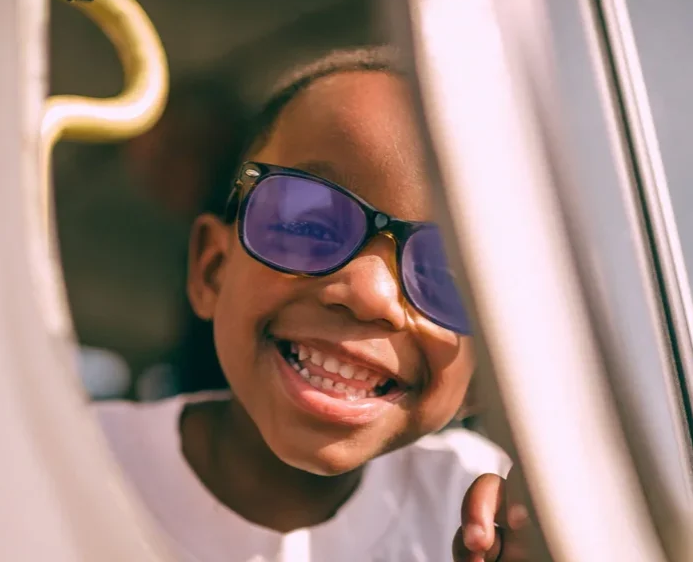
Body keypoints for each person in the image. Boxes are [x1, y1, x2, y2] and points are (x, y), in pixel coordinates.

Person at [96, 47, 529, 561]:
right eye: (307, 225)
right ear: (212, 270)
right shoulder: (62, 454)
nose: (370, 295)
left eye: (446, 272)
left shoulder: (488, 514)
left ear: (490, 371)